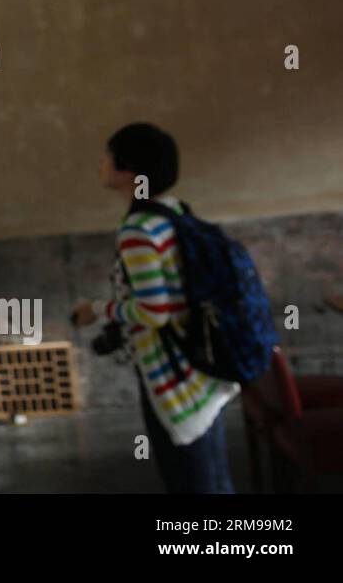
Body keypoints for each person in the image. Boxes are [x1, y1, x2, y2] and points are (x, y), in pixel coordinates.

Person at [72, 123, 238, 493]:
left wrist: (99, 310)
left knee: (192, 484)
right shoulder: (174, 211)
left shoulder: (138, 230)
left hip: (171, 378)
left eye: (107, 154)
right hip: (201, 371)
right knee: (214, 479)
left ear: (128, 169)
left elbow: (153, 311)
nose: (100, 161)